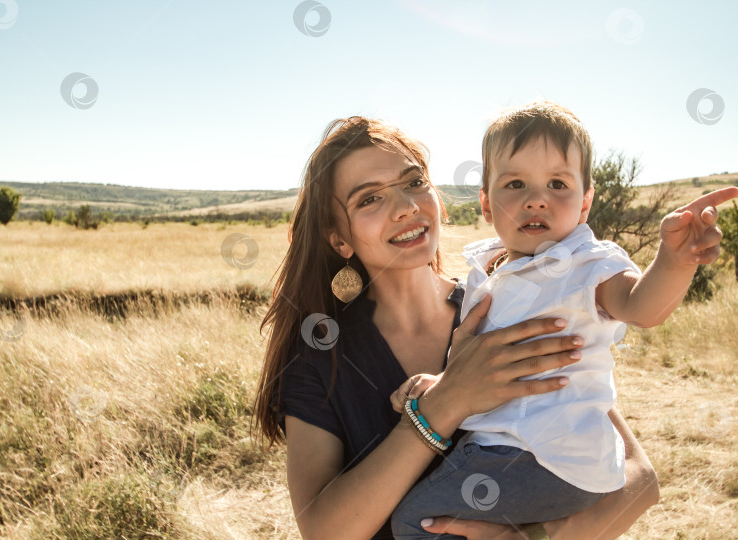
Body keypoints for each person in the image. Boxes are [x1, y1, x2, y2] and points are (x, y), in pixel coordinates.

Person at [252, 115, 662, 540]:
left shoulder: (508, 301)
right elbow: (324, 533)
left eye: (414, 183)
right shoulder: (320, 358)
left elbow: (639, 477)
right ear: (340, 240)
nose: (407, 207)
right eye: (369, 199)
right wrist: (446, 403)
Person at [389, 101, 738, 538]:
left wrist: (675, 262)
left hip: (546, 456)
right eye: (515, 184)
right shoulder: (489, 268)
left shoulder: (584, 263)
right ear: (486, 204)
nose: (536, 199)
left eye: (558, 183)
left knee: (414, 522)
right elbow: (486, 359)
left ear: (586, 202)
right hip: (513, 452)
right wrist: (439, 382)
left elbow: (640, 305)